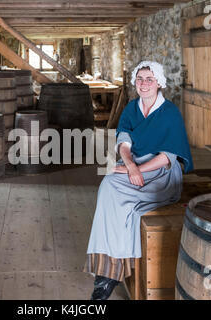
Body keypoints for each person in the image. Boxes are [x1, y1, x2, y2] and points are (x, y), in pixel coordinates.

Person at [83, 61, 193, 300]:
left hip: (161, 173)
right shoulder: (132, 108)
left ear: (159, 83)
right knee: (107, 188)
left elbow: (168, 157)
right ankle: (107, 273)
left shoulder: (170, 113)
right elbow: (123, 142)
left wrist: (139, 170)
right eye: (140, 79)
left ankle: (113, 273)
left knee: (123, 203)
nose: (144, 84)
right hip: (135, 167)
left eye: (149, 79)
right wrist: (131, 166)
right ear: (135, 82)